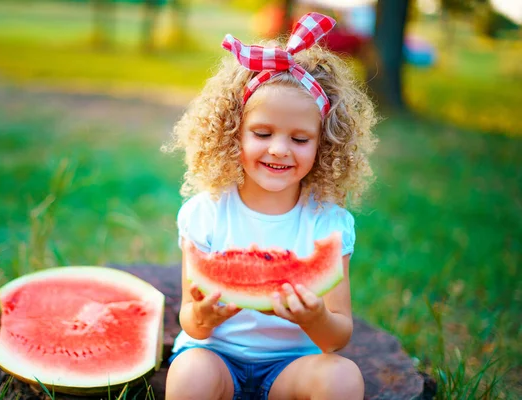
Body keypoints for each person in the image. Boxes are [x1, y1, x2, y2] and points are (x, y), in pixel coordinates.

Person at [162, 12, 378, 400]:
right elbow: (191, 325)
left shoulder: (328, 223)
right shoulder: (205, 212)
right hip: (216, 356)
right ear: (233, 134)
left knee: (342, 377)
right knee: (191, 372)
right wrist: (202, 316)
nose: (279, 149)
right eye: (263, 133)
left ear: (323, 145)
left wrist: (317, 319)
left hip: (291, 367)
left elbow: (338, 337)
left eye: (300, 139)